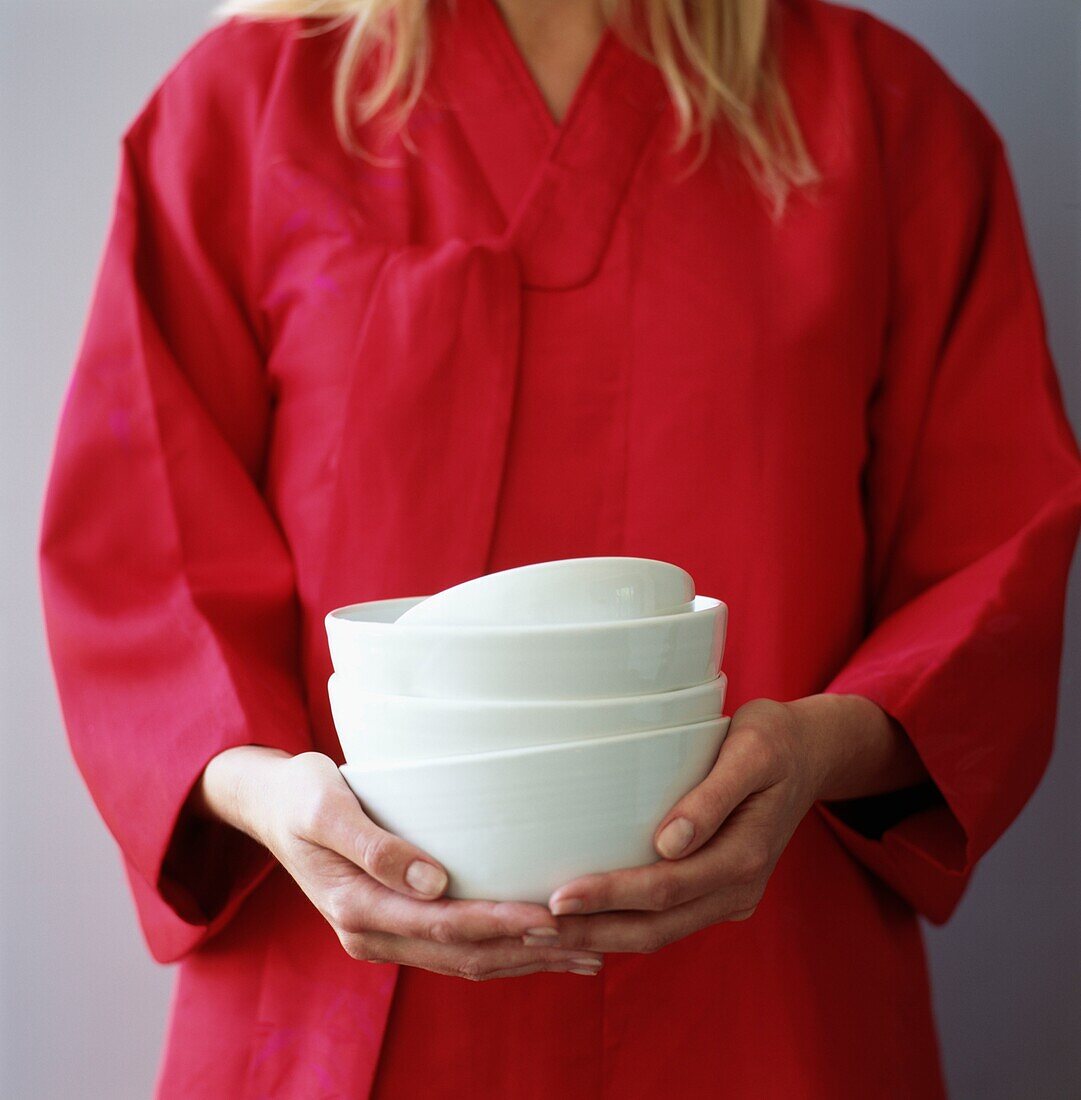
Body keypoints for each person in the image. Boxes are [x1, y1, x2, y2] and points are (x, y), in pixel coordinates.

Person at [39, 0, 1081, 1095]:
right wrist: (267, 797)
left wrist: (813, 748)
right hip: (335, 1004)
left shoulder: (880, 118)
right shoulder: (245, 112)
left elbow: (990, 563)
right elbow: (142, 560)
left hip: (762, 999)